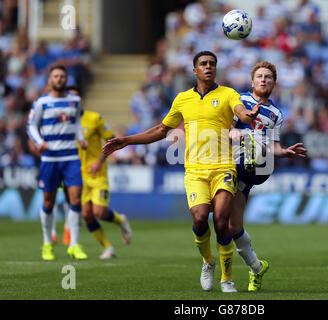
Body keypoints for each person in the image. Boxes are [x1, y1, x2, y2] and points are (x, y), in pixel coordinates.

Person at [103, 51, 260, 293]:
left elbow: (241, 112)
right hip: (195, 171)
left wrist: (248, 116)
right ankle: (208, 262)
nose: (208, 67)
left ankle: (226, 279)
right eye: (203, 64)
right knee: (199, 219)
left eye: (212, 64)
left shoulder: (228, 94)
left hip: (223, 168)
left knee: (220, 221)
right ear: (195, 70)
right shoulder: (182, 99)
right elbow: (160, 129)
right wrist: (127, 140)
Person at [228, 61, 307, 291]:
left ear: (274, 83)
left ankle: (254, 153)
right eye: (260, 76)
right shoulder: (239, 101)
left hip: (258, 165)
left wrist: (285, 152)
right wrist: (236, 134)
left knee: (259, 146)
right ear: (252, 81)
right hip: (233, 164)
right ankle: (256, 267)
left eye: (268, 77)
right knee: (233, 226)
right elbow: (228, 128)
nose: (264, 80)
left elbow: (274, 146)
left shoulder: (276, 114)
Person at [27, 65, 88, 261]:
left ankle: (74, 245)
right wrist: (39, 142)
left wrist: (81, 138)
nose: (59, 79)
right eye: (56, 76)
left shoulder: (75, 101)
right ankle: (47, 243)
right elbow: (31, 126)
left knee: (76, 199)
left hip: (70, 156)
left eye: (62, 76)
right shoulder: (41, 103)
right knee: (48, 201)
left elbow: (77, 122)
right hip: (50, 157)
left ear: (66, 79)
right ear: (49, 80)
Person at [67, 86, 132, 259]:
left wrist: (99, 160)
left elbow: (111, 140)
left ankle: (120, 220)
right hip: (78, 176)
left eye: (76, 97)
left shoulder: (94, 118)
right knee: (87, 215)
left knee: (99, 212)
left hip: (98, 173)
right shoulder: (66, 123)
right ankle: (108, 248)